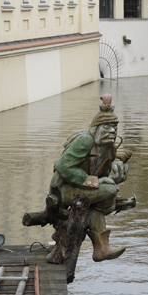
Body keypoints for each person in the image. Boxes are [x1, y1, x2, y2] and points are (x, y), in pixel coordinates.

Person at [51, 94, 129, 261]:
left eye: (115, 127)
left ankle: (102, 249)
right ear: (95, 128)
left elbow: (104, 178)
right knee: (109, 190)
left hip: (84, 190)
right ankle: (100, 248)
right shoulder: (86, 140)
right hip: (62, 190)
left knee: (103, 198)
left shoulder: (109, 148)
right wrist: (95, 181)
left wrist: (116, 178)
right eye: (107, 127)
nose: (112, 131)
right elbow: (63, 167)